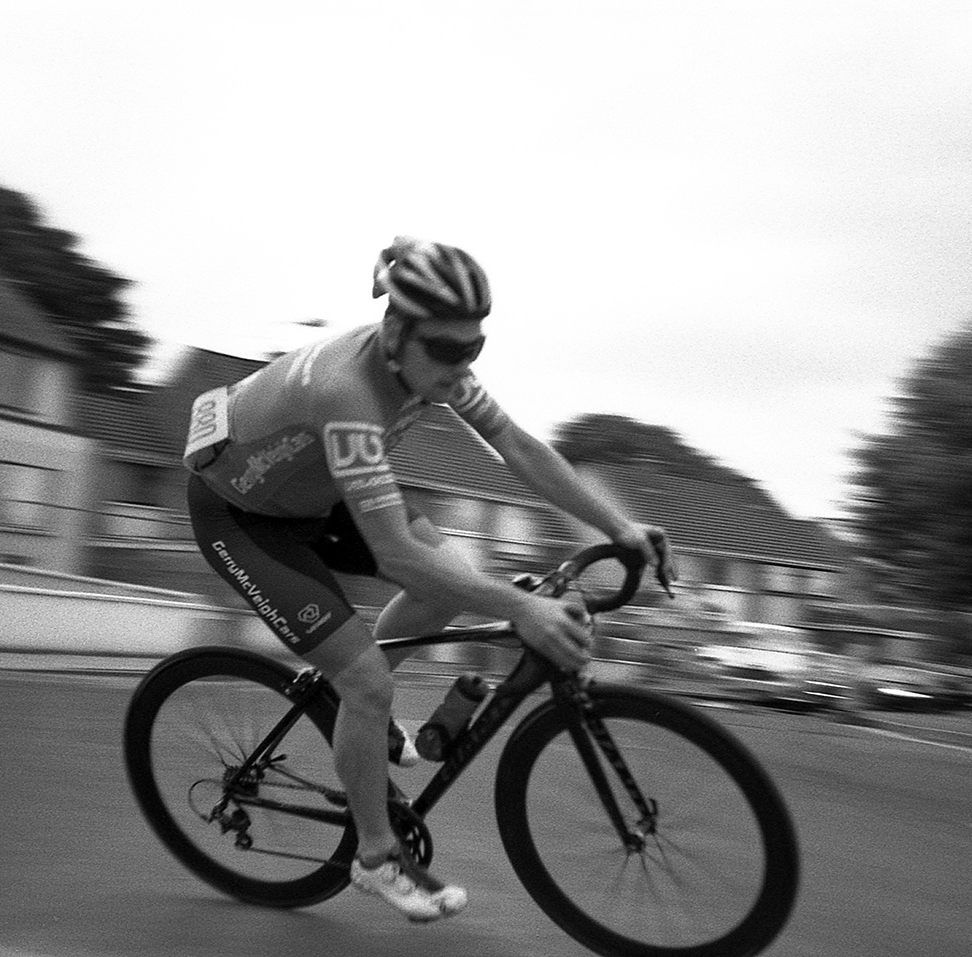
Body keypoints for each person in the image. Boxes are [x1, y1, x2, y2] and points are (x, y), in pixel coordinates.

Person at [181, 236, 676, 923]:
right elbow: (396, 556)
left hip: (312, 496)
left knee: (450, 575)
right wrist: (520, 611)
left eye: (474, 348)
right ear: (396, 331)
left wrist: (617, 526)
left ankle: (365, 725)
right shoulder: (346, 389)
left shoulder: (434, 368)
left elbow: (521, 450)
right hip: (242, 517)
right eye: (447, 350)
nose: (461, 366)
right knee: (368, 678)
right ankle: (375, 857)